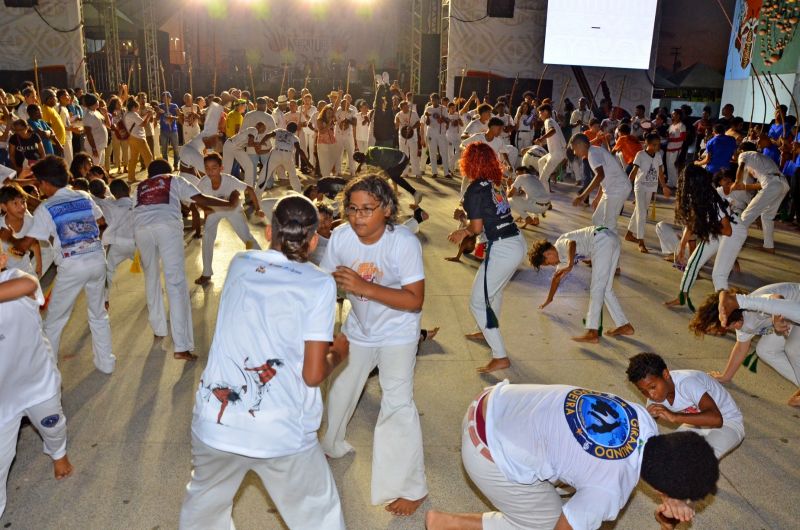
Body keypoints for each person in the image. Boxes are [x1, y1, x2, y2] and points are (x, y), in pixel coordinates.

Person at [179, 195, 348, 530]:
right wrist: (340, 350)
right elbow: (313, 374)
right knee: (318, 517)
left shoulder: (241, 262)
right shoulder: (319, 283)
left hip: (215, 421)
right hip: (281, 431)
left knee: (205, 510)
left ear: (270, 231)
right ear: (314, 240)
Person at [425, 382, 719, 530]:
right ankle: (448, 523)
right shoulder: (608, 491)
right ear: (663, 489)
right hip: (487, 450)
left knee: (575, 472)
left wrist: (670, 499)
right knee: (545, 523)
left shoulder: (643, 418)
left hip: (497, 401)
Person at [321, 175, 428, 516]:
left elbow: (414, 300)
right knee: (339, 388)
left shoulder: (404, 243)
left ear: (387, 209)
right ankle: (332, 444)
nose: (358, 217)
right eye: (351, 208)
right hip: (360, 329)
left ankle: (412, 487)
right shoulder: (339, 237)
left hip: (399, 331)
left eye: (367, 209)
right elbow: (324, 285)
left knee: (397, 403)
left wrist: (363, 288)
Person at [2, 156, 115, 373]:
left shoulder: (46, 208)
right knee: (99, 314)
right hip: (97, 260)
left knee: (54, 321)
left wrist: (8, 237)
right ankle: (106, 362)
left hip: (72, 266)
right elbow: (101, 221)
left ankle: (49, 371)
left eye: (39, 184)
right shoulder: (83, 195)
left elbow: (21, 248)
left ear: (45, 183)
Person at [132, 159, 238, 362]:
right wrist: (229, 203)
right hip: (167, 226)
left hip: (141, 230)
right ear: (168, 171)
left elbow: (132, 211)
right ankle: (181, 346)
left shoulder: (139, 187)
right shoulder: (174, 179)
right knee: (176, 283)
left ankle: (159, 329)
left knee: (151, 278)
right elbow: (201, 199)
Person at [0, 254, 73, 519]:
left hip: (37, 384)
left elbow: (29, 285)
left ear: (2, 258)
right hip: (2, 396)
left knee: (53, 426)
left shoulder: (17, 278)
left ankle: (58, 453)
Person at [448, 143, 526, 372]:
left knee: (477, 302)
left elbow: (477, 226)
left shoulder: (473, 189)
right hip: (515, 241)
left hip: (503, 247)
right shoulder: (496, 183)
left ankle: (500, 356)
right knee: (494, 293)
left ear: (469, 162)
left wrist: (463, 229)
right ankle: (485, 331)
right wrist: (467, 223)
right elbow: (488, 218)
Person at [692, 285, 800, 407]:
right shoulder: (740, 319)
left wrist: (775, 317)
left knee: (793, 348)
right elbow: (740, 348)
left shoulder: (752, 311)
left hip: (795, 305)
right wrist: (725, 377)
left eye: (720, 328)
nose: (717, 332)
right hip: (787, 319)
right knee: (765, 351)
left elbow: (777, 298)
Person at [626, 352, 744, 459]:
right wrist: (649, 416)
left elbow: (717, 419)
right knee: (668, 456)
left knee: (702, 461)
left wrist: (675, 417)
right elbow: (648, 423)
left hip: (728, 422)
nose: (650, 394)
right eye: (643, 391)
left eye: (652, 387)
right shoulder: (654, 395)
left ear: (666, 374)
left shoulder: (687, 382)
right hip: (695, 423)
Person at [529, 226, 634, 343]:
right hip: (610, 239)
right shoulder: (560, 260)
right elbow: (556, 279)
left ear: (548, 253)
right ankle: (625, 325)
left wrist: (570, 264)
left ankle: (592, 331)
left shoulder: (560, 244)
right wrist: (549, 300)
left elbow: (571, 243)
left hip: (601, 239)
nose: (551, 265)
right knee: (606, 289)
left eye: (548, 263)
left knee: (596, 288)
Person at [664, 165, 746, 310]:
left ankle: (727, 316)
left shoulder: (711, 200)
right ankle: (682, 297)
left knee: (718, 275)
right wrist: (682, 246)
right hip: (718, 230)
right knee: (692, 263)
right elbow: (692, 222)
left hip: (733, 230)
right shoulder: (698, 196)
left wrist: (706, 228)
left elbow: (727, 230)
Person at [195, 152, 264, 287]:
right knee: (207, 238)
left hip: (232, 209)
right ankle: (206, 273)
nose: (210, 171)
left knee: (246, 236)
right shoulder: (203, 183)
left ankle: (263, 262)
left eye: (214, 167)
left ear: (221, 168)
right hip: (215, 210)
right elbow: (195, 199)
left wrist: (257, 209)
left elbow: (249, 189)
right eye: (207, 168)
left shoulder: (230, 180)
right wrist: (205, 209)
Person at [733, 142, 790, 252]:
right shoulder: (761, 158)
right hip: (782, 184)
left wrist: (736, 182)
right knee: (766, 216)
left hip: (772, 184)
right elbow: (762, 184)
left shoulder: (744, 154)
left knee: (747, 215)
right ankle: (769, 246)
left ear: (741, 150)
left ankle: (733, 241)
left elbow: (741, 166)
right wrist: (743, 186)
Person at [571, 133, 632, 234]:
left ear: (580, 145)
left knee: (609, 225)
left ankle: (611, 247)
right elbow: (602, 177)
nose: (574, 152)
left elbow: (600, 175)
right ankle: (601, 241)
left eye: (574, 148)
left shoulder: (592, 154)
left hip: (618, 189)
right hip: (610, 189)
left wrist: (583, 196)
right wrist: (598, 197)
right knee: (597, 219)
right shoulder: (594, 151)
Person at [624, 133, 670, 253]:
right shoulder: (640, 155)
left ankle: (629, 234)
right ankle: (641, 241)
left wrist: (664, 186)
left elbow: (660, 173)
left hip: (650, 188)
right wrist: (626, 185)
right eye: (654, 145)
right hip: (639, 187)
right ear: (646, 144)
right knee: (642, 213)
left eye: (658, 144)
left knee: (638, 211)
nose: (656, 147)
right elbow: (633, 172)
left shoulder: (658, 156)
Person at [102, 179, 136, 303]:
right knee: (150, 268)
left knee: (108, 271)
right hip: (136, 244)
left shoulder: (110, 205)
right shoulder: (138, 203)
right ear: (129, 189)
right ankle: (156, 292)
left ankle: (104, 299)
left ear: (113, 194)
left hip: (117, 244)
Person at [352, 147, 422, 206]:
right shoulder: (370, 150)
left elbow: (377, 172)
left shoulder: (371, 160)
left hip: (400, 160)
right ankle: (413, 193)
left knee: (390, 177)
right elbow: (368, 160)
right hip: (401, 156)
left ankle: (413, 194)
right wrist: (360, 166)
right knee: (392, 177)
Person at [0, 184, 41, 275]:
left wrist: (39, 264)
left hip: (26, 269)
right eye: (15, 203)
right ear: (4, 207)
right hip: (6, 272)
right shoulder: (1, 226)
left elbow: (34, 244)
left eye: (23, 202)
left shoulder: (30, 221)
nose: (22, 207)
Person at [259, 122, 311, 192]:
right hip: (287, 155)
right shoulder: (295, 138)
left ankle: (258, 191)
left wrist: (261, 142)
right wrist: (308, 163)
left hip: (276, 153)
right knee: (293, 175)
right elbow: (299, 150)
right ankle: (298, 192)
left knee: (266, 172)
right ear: (295, 131)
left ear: (286, 127)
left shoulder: (279, 130)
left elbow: (268, 135)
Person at [534, 104, 567, 188]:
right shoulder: (551, 120)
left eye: (540, 113)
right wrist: (543, 142)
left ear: (545, 112)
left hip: (557, 153)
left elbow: (552, 131)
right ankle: (549, 175)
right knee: (540, 161)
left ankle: (545, 197)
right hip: (556, 152)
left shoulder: (548, 121)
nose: (539, 115)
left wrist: (541, 139)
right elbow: (552, 136)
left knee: (543, 179)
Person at [123, 97, 154, 183]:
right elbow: (143, 123)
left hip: (131, 138)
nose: (138, 109)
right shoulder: (133, 114)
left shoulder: (127, 114)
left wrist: (145, 115)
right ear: (133, 107)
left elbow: (139, 119)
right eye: (137, 107)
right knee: (148, 157)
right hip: (139, 138)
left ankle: (131, 178)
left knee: (133, 159)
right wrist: (149, 115)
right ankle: (153, 177)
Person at [423, 93, 451, 178]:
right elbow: (427, 123)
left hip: (441, 133)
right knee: (432, 152)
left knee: (444, 152)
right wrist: (427, 117)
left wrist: (443, 119)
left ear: (438, 100)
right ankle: (434, 172)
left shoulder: (443, 108)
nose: (433, 101)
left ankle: (446, 172)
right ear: (430, 100)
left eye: (435, 100)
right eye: (432, 100)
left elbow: (448, 120)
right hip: (431, 132)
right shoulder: (428, 109)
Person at [395, 100, 422, 178]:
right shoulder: (398, 115)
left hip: (412, 137)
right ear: (401, 108)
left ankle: (417, 172)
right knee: (404, 155)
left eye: (407, 106)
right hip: (402, 137)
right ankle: (404, 172)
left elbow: (418, 123)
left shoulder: (413, 113)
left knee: (414, 155)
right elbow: (396, 126)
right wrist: (396, 121)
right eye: (404, 107)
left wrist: (412, 127)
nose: (406, 108)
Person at [81, 94, 109, 166]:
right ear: (93, 102)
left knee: (100, 166)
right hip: (95, 146)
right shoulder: (88, 115)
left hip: (101, 145)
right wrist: (94, 148)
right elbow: (88, 133)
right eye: (97, 100)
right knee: (94, 166)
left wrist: (106, 114)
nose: (98, 102)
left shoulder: (97, 112)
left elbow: (108, 125)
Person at [158, 92, 181, 170]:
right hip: (163, 130)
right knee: (164, 150)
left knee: (176, 149)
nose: (165, 99)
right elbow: (157, 117)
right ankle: (166, 166)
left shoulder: (174, 106)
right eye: (164, 98)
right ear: (162, 99)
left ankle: (175, 165)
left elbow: (179, 117)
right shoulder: (160, 106)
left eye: (167, 98)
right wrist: (159, 111)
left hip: (173, 130)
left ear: (170, 98)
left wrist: (172, 117)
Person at [665, 109, 686, 187]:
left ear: (678, 115)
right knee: (668, 165)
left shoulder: (682, 125)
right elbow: (668, 135)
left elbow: (683, 138)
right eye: (672, 114)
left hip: (676, 148)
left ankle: (676, 183)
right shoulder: (671, 125)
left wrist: (671, 139)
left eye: (674, 114)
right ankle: (670, 182)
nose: (672, 115)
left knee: (673, 165)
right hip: (669, 147)